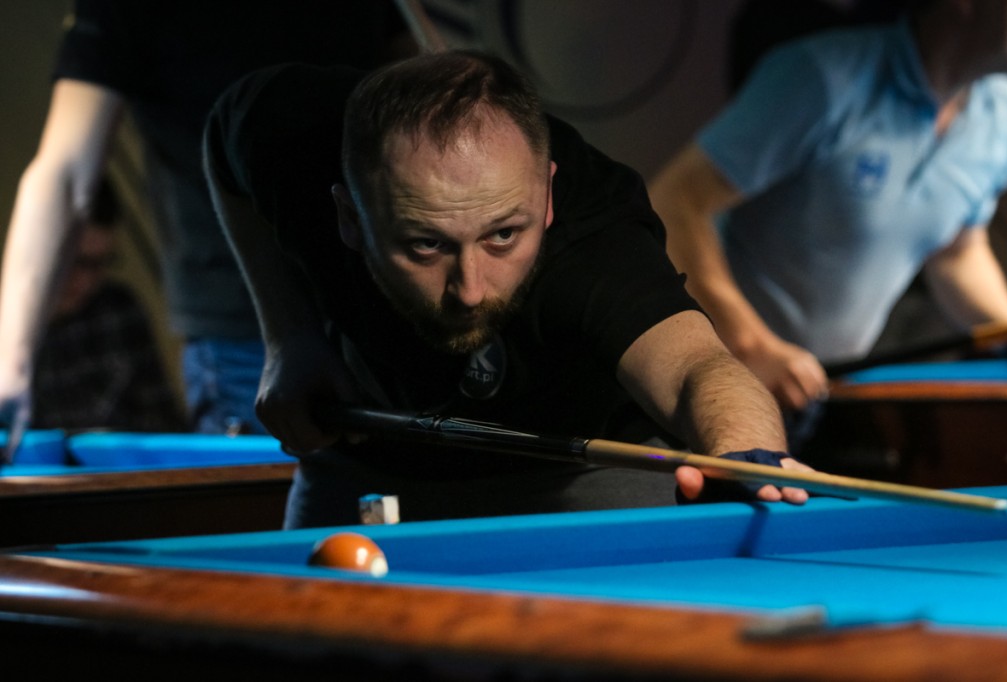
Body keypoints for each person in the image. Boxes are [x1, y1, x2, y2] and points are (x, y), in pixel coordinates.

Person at [203, 50, 812, 528]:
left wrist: (743, 452)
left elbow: (696, 368)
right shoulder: (293, 138)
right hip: (373, 454)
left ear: (546, 197)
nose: (470, 290)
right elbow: (224, 141)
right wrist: (289, 338)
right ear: (349, 217)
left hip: (579, 470)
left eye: (502, 236)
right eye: (426, 244)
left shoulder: (592, 241)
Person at [0, 1, 412, 441]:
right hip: (245, 335)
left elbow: (420, 109)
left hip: (388, 312)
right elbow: (65, 173)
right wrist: (9, 365)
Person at [648, 0, 1007, 430]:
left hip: (822, 396)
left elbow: (956, 252)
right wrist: (751, 345)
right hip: (709, 382)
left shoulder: (1006, 115)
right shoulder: (821, 75)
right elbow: (675, 202)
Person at [31, 178, 186, 433]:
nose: (86, 281)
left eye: (101, 263)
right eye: (76, 261)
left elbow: (163, 419)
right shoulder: (10, 325)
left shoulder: (117, 310)